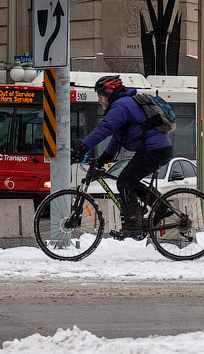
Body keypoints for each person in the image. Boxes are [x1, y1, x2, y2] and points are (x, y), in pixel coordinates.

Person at [74, 76, 173, 239]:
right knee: (130, 181)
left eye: (99, 96)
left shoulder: (121, 105)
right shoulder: (124, 103)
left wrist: (83, 146)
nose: (99, 101)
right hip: (156, 149)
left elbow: (104, 128)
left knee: (125, 181)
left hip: (154, 149)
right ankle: (160, 207)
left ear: (108, 93)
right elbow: (117, 138)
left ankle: (134, 224)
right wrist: (103, 159)